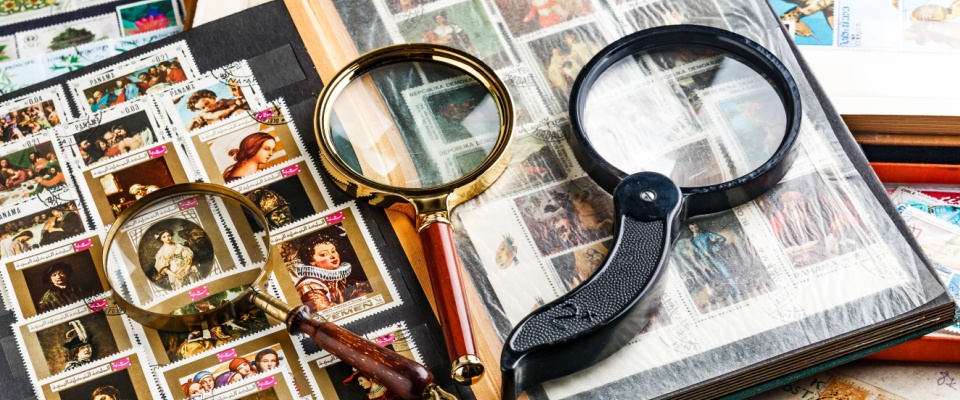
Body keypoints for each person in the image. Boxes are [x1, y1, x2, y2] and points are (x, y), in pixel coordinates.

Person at [293, 231, 373, 313]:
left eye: (333, 251)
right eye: (324, 254)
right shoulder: (310, 286)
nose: (333, 256)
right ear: (311, 261)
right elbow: (325, 311)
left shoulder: (336, 277)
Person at [687, 223, 742, 299]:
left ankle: (737, 290)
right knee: (717, 276)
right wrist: (703, 263)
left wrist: (714, 249)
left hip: (714, 257)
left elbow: (722, 239)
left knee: (726, 272)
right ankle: (729, 292)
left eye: (695, 227)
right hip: (706, 261)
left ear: (698, 227)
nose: (694, 229)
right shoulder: (693, 241)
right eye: (692, 228)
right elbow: (697, 252)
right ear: (690, 230)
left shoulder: (706, 235)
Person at [185, 88, 249, 131]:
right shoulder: (205, 114)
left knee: (240, 111)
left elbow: (233, 101)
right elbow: (216, 115)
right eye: (203, 108)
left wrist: (238, 101)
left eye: (207, 103)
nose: (207, 107)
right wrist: (230, 109)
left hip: (231, 119)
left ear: (213, 97)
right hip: (219, 126)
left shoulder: (222, 101)